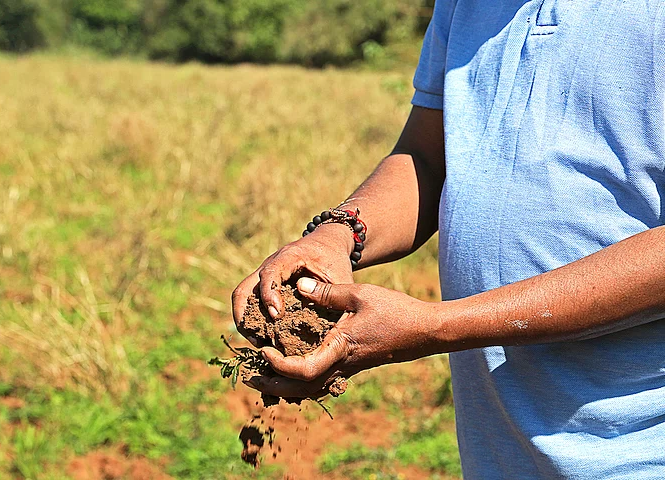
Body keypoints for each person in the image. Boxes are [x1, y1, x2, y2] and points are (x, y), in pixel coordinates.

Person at [232, 0, 665, 477]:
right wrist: (335, 236)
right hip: (498, 444)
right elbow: (427, 156)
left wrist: (437, 326)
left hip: (634, 452)